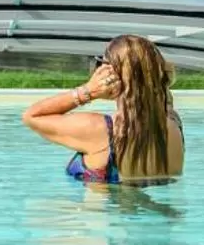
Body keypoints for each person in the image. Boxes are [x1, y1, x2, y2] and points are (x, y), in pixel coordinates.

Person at [21, 35, 186, 185]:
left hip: (101, 209)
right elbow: (160, 93)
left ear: (110, 73)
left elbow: (31, 116)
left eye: (101, 64)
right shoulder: (173, 125)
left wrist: (89, 91)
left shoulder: (98, 129)